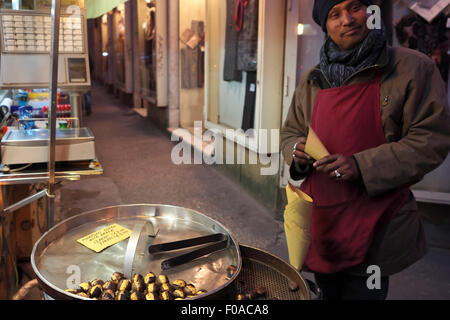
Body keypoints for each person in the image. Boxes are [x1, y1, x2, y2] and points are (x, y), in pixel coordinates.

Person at [280, 0, 450, 300]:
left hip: (378, 224)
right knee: (325, 291)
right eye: (334, 14)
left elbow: (430, 140)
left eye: (355, 7)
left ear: (371, 12)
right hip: (323, 221)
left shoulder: (411, 68)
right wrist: (296, 150)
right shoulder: (312, 79)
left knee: (366, 291)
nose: (347, 19)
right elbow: (291, 132)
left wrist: (362, 165)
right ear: (326, 26)